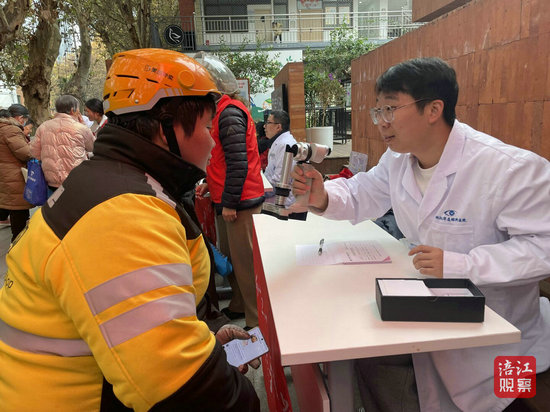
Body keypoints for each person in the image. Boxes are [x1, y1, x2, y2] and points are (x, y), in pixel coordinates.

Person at [0, 49, 260, 411]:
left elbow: (132, 329)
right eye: (206, 127)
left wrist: (205, 345)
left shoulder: (115, 182)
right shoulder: (122, 214)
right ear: (166, 129)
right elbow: (179, 386)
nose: (213, 140)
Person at [291, 57, 550, 411]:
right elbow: (364, 192)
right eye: (377, 111)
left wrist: (462, 265)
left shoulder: (509, 169)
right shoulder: (399, 159)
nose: (382, 122)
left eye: (390, 109)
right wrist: (322, 196)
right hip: (429, 313)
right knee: (369, 356)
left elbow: (543, 248)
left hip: (499, 336)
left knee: (502, 399)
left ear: (433, 110)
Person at [194, 52, 265, 329]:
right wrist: (210, 185)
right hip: (229, 198)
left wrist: (231, 202)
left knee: (245, 263)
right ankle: (239, 304)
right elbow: (223, 161)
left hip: (240, 202)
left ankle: (256, 320)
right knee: (231, 259)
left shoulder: (229, 114)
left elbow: (238, 162)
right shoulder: (222, 112)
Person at [31, 95, 95, 192]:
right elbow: (93, 147)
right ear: (72, 110)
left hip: (52, 180)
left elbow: (34, 152)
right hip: (76, 179)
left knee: (55, 202)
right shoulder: (81, 128)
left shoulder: (43, 127)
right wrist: (83, 125)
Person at [0, 104, 33, 240]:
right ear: (20, 118)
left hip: (4, 173)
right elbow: (25, 153)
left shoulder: (2, 128)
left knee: (8, 204)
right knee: (18, 209)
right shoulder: (11, 130)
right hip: (14, 175)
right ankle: (18, 243)